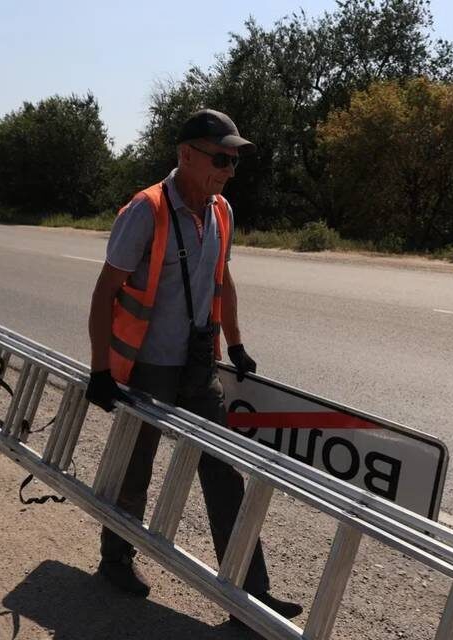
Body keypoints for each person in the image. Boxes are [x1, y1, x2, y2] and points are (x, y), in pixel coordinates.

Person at [85, 109, 302, 622]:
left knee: (224, 471)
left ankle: (248, 595)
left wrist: (238, 342)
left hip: (199, 364)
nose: (228, 170)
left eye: (234, 162)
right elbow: (104, 293)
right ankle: (115, 557)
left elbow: (221, 280)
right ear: (186, 154)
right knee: (136, 467)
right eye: (220, 158)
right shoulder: (146, 210)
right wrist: (100, 370)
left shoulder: (221, 211)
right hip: (149, 366)